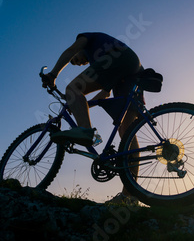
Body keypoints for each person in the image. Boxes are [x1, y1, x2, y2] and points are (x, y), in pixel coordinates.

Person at [41, 32, 142, 204]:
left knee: (72, 88)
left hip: (118, 57)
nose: (77, 62)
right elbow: (104, 93)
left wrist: (53, 74)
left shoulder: (86, 38)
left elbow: (71, 49)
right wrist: (80, 104)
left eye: (75, 59)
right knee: (127, 131)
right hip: (132, 68)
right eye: (75, 63)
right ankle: (129, 196)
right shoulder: (101, 59)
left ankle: (85, 132)